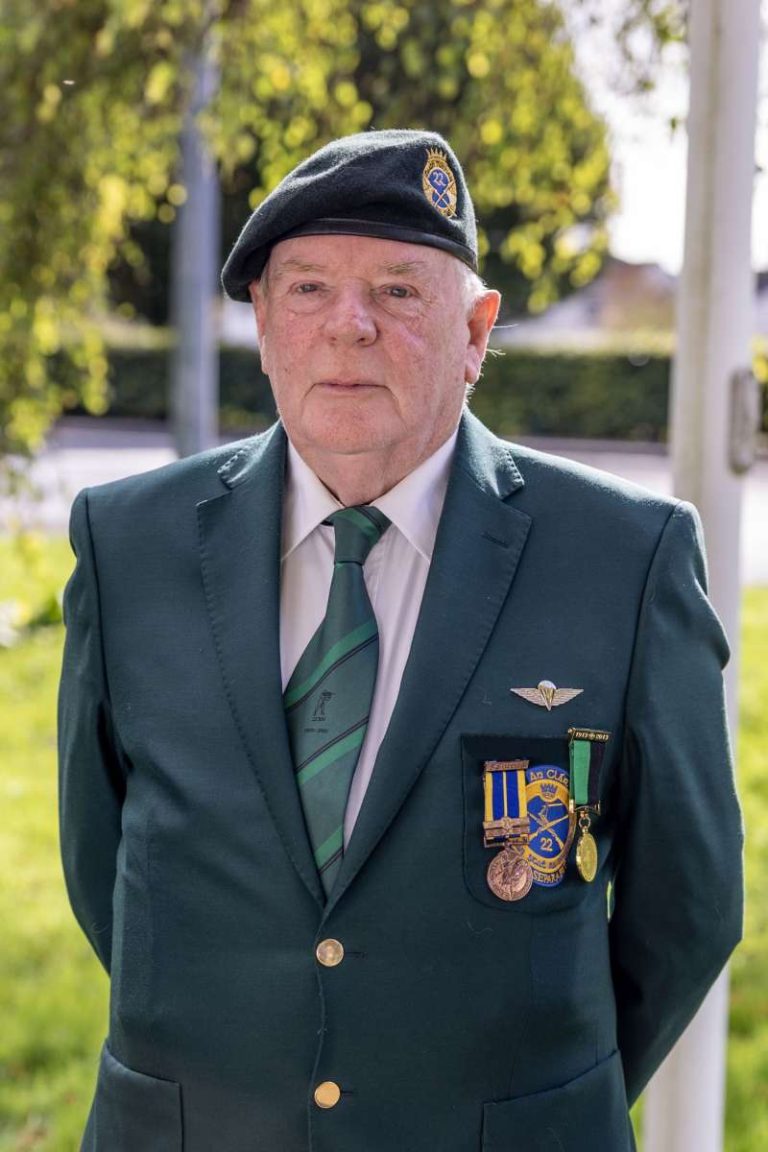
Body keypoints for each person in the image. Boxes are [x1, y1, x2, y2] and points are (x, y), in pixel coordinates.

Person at [58, 129, 743, 1152]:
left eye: (397, 290)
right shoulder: (128, 544)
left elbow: (687, 910)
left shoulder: (625, 559)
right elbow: (101, 860)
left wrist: (534, 1105)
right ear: (263, 325)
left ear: (475, 334)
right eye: (307, 290)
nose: (350, 326)